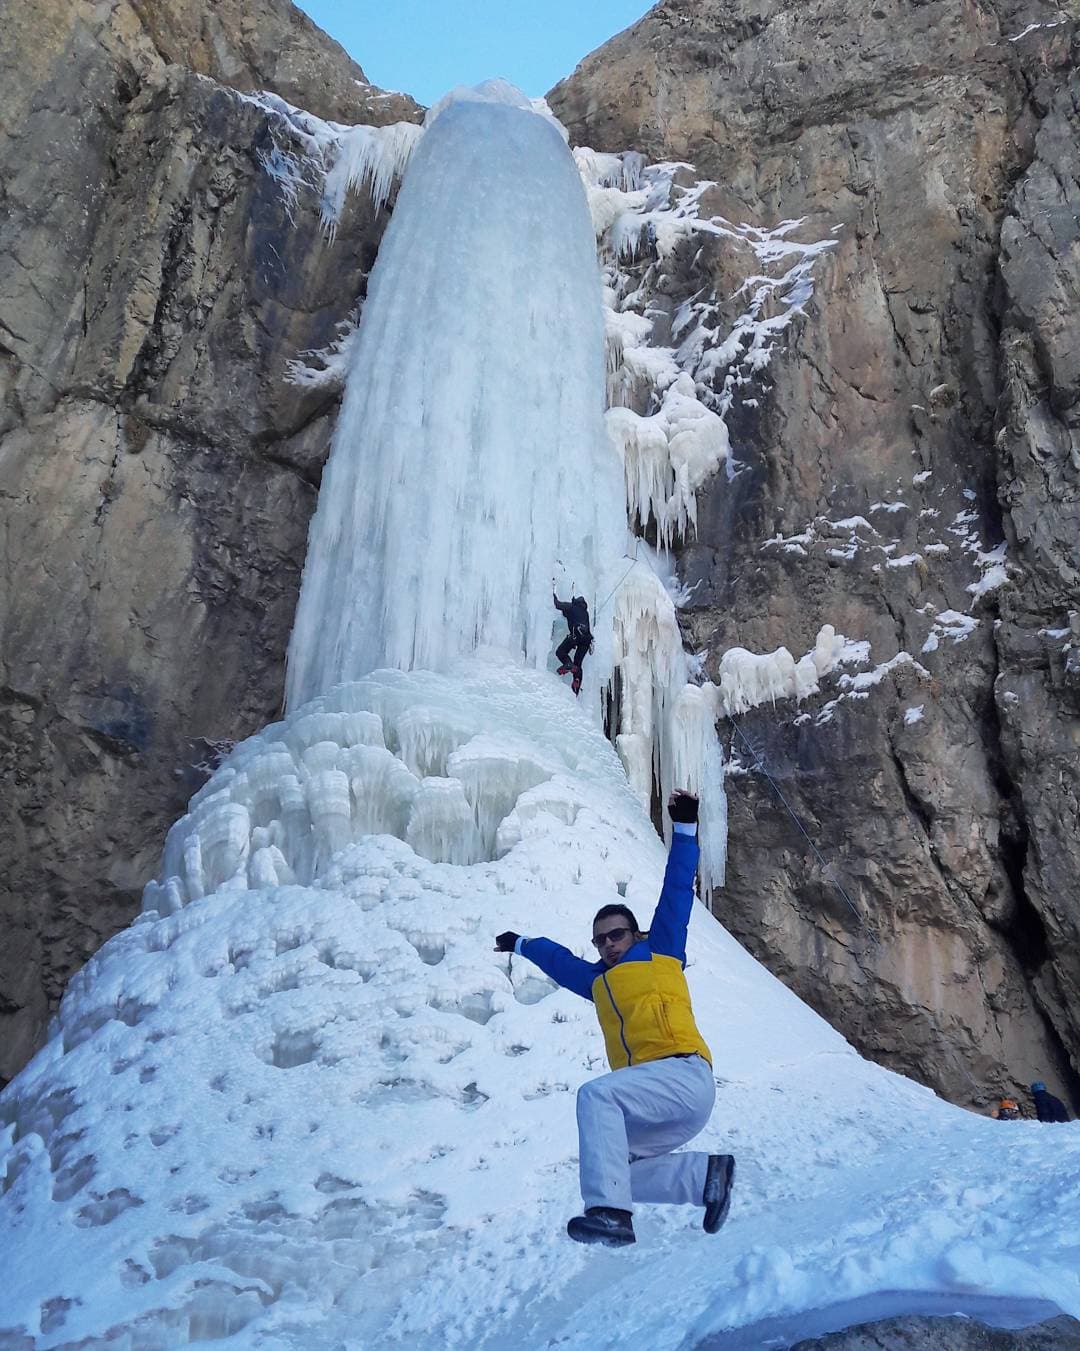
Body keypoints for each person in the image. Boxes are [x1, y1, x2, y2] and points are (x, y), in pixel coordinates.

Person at [494, 790, 734, 1247]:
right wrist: (520, 943)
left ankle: (609, 1215)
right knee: (614, 1166)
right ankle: (706, 1178)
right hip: (661, 1106)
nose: (608, 944)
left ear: (636, 933)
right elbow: (560, 961)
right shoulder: (597, 982)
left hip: (683, 1074)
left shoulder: (662, 951)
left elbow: (678, 891)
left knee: (595, 1097)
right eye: (600, 940)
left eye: (616, 934)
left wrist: (685, 829)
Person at [553, 589, 592, 696]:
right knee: (578, 664)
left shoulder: (572, 607)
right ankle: (576, 684)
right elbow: (569, 615)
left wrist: (553, 595)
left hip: (576, 636)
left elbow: (558, 605)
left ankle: (568, 663)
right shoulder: (585, 613)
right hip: (587, 640)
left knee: (560, 652)